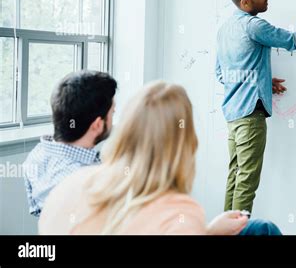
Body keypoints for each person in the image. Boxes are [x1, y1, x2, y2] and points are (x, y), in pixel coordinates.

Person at [39, 81, 281, 235]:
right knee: (264, 230)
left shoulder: (68, 186)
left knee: (258, 229)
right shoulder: (179, 211)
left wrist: (206, 231)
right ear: (185, 143)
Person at [216, 0, 296, 214]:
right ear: (245, 2)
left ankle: (224, 230)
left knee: (235, 177)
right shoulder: (254, 26)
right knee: (246, 183)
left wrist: (262, 81)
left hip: (233, 116)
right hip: (249, 117)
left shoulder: (225, 29)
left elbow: (221, 73)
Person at [23, 70, 117, 216]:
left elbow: (37, 211)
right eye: (112, 113)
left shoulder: (36, 155)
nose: (113, 119)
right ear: (97, 125)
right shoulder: (91, 181)